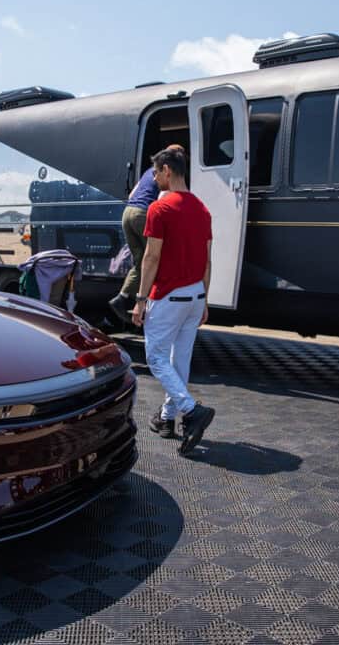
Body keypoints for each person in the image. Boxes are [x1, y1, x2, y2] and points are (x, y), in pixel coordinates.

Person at [131, 147, 216, 455]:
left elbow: (151, 257)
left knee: (155, 358)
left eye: (155, 173)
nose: (154, 179)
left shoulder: (159, 208)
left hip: (168, 295)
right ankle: (167, 418)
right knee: (179, 361)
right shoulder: (202, 209)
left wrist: (140, 299)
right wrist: (204, 298)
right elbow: (207, 261)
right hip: (195, 295)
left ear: (167, 170)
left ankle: (191, 411)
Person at [109, 144, 186, 323]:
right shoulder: (168, 173)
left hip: (128, 213)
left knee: (140, 262)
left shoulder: (149, 171)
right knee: (154, 259)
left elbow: (132, 194)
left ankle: (121, 297)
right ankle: (150, 308)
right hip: (144, 213)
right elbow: (163, 199)